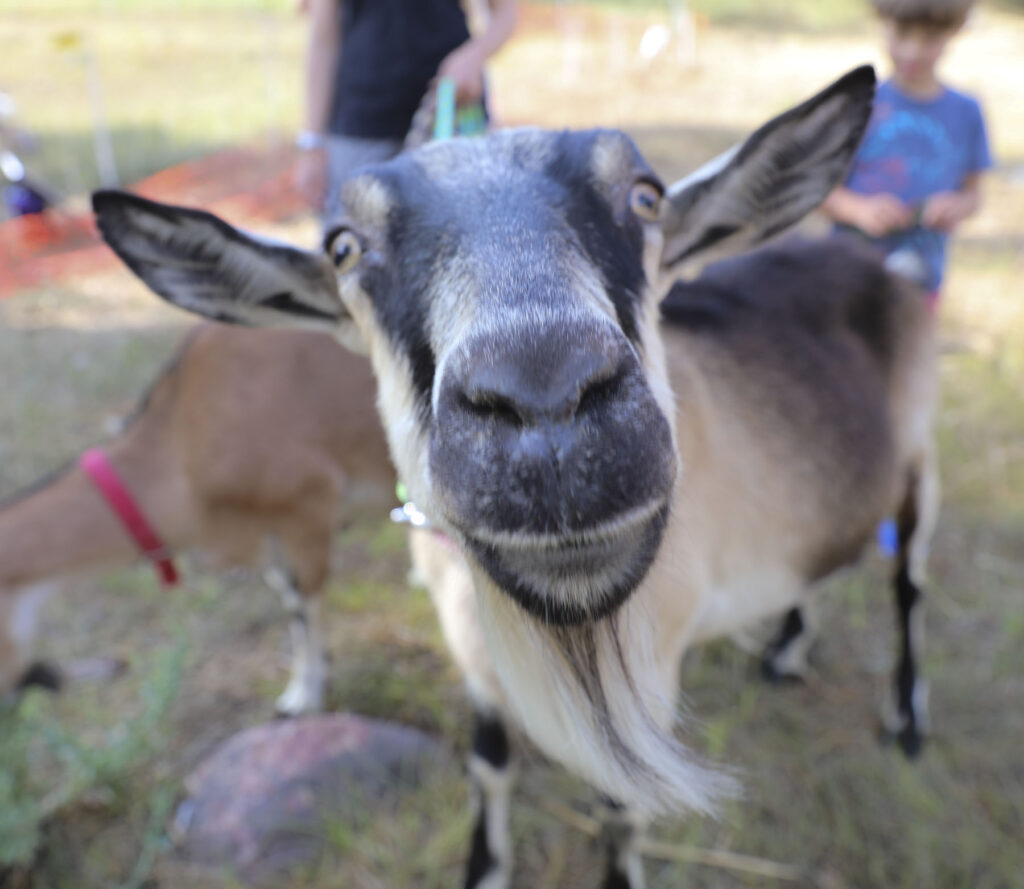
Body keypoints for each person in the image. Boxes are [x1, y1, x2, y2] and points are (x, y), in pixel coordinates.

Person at [820, 0, 992, 300]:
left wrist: (956, 206)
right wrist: (859, 210)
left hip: (920, 285)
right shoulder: (856, 105)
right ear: (884, 25)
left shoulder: (967, 112)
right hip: (846, 278)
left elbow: (973, 195)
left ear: (953, 33)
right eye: (901, 33)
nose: (912, 51)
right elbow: (819, 191)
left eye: (929, 39)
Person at [295, 0, 518, 224]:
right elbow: (323, 36)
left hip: (451, 113)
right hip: (360, 125)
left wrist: (473, 56)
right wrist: (312, 144)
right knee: (357, 243)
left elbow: (506, 11)